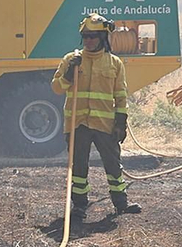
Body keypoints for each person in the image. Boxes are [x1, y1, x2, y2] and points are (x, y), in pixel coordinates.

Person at [52, 13, 139, 221]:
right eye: (86, 36)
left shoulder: (114, 63)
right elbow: (56, 88)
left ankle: (121, 203)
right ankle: (79, 207)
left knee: (112, 164)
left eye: (93, 36)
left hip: (105, 124)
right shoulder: (70, 60)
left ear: (103, 37)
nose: (89, 40)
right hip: (77, 124)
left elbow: (120, 95)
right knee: (79, 167)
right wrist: (69, 73)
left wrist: (121, 121)